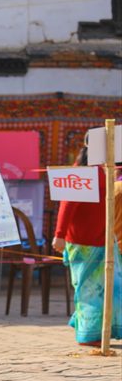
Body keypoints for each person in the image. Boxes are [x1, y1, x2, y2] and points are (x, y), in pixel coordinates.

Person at [52, 148, 120, 347]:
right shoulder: (79, 174)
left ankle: (90, 324)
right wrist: (59, 235)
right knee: (89, 289)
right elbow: (67, 206)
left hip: (105, 239)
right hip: (83, 242)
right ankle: (89, 334)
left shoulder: (106, 172)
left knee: (110, 287)